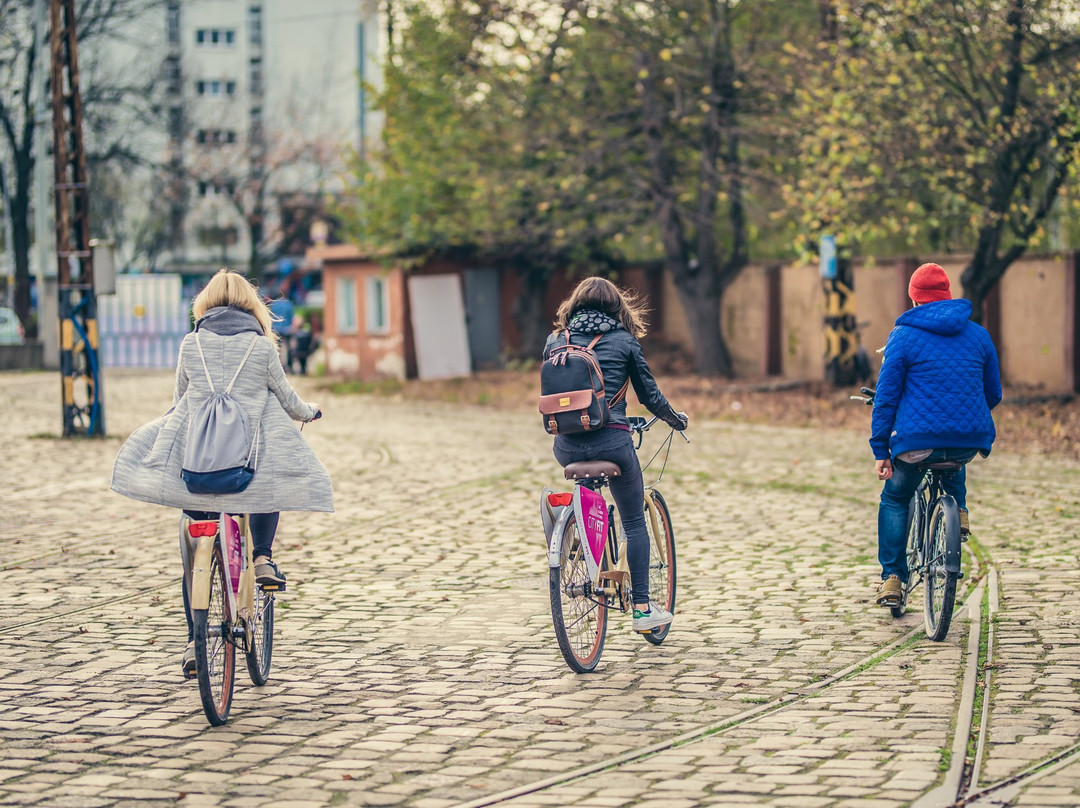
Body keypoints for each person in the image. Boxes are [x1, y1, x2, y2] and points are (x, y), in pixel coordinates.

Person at [111, 269, 333, 676]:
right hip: (247, 468)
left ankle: (194, 642)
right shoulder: (261, 347)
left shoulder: (191, 344)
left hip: (198, 469)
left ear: (205, 304)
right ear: (252, 305)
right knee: (269, 488)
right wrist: (311, 412)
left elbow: (179, 401)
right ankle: (262, 558)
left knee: (194, 551)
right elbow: (288, 401)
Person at [544, 277, 688, 632]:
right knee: (634, 521)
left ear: (574, 305)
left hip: (565, 447)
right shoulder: (624, 342)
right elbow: (650, 396)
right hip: (613, 443)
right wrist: (676, 420)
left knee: (587, 487)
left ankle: (573, 529)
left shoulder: (555, 341)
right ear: (617, 307)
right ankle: (642, 609)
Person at [871, 263, 1001, 607]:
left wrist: (880, 449)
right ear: (947, 294)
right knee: (953, 453)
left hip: (916, 445)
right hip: (968, 441)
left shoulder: (903, 336)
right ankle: (959, 510)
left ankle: (893, 578)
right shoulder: (979, 335)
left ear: (914, 298)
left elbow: (886, 398)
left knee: (896, 497)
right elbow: (993, 393)